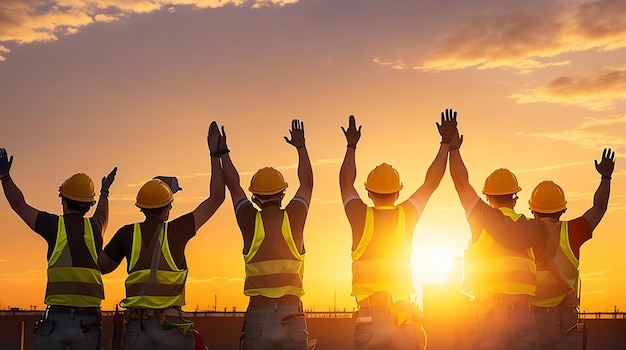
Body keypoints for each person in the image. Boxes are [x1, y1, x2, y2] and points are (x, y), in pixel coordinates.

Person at [97, 122, 225, 350]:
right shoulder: (177, 230)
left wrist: (97, 215)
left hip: (138, 329)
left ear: (141, 208)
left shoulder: (127, 234)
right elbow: (216, 198)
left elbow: (101, 266)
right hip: (173, 329)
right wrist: (215, 153)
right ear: (168, 207)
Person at [339, 111, 457, 350]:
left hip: (370, 317)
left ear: (368, 192)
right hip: (406, 318)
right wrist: (445, 143)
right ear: (398, 191)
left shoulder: (360, 216)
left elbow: (345, 182)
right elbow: (431, 183)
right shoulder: (407, 214)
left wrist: (351, 146)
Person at [447, 110, 549, 350]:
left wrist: (453, 148)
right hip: (525, 314)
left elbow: (461, 183)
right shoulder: (535, 228)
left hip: (491, 314)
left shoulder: (480, 217)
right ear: (515, 198)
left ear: (488, 197)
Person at [0, 147, 116, 350]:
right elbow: (103, 215)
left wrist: (5, 177)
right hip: (88, 321)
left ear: (62, 199)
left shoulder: (53, 226)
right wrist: (105, 192)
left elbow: (19, 205)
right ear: (89, 205)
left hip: (56, 319)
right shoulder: (95, 228)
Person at [220, 119, 313, 350]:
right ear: (282, 193)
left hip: (258, 316)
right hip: (292, 316)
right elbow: (307, 184)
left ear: (255, 196)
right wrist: (301, 147)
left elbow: (233, 186)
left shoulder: (249, 220)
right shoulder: (295, 216)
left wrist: (222, 152)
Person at [529, 148, 615, 350]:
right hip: (564, 319)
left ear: (532, 209)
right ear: (563, 209)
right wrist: (606, 177)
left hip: (528, 317)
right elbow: (599, 207)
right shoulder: (573, 231)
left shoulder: (522, 231)